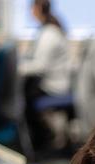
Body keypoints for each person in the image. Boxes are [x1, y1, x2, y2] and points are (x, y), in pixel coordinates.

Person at [19, 0, 71, 148]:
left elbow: (39, 66)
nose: (30, 11)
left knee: (23, 99)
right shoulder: (46, 30)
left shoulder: (49, 33)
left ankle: (39, 141)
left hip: (54, 86)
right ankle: (40, 138)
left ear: (39, 8)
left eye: (32, 8)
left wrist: (16, 68)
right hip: (51, 82)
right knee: (25, 93)